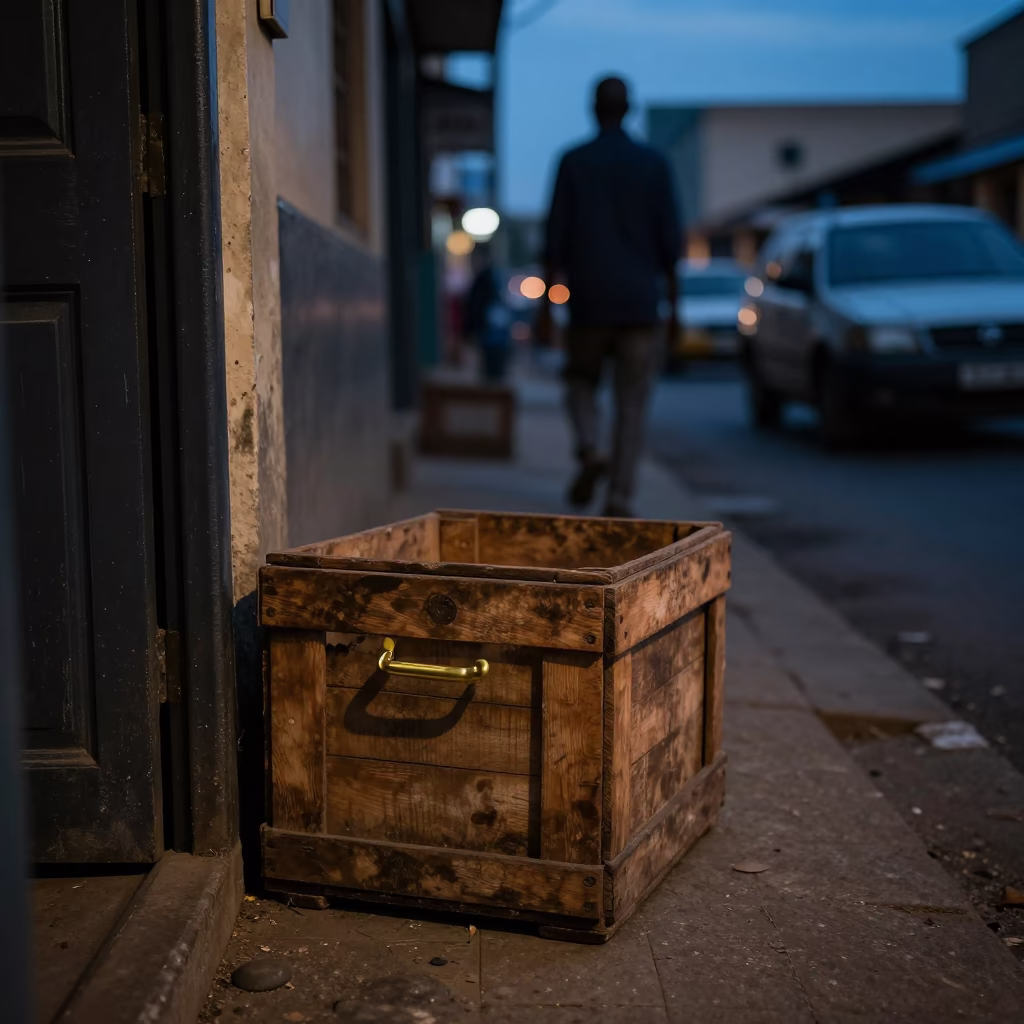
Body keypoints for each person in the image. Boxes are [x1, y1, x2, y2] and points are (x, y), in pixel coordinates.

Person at [538, 76, 682, 518]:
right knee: (632, 402)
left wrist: (544, 307)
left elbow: (555, 240)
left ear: (593, 109)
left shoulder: (574, 162)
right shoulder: (653, 165)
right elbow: (670, 246)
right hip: (640, 303)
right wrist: (675, 309)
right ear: (629, 109)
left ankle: (588, 446)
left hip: (589, 302)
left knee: (580, 381)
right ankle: (619, 496)